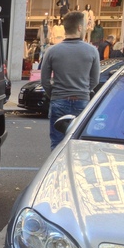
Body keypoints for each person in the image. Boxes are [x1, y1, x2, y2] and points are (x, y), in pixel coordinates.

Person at [41, 10, 100, 150]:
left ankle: (57, 170)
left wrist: (54, 94)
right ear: (79, 28)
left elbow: (44, 80)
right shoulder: (92, 51)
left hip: (59, 100)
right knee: (79, 143)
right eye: (85, 25)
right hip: (82, 100)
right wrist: (84, 90)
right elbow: (95, 80)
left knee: (57, 142)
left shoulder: (52, 51)